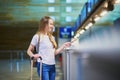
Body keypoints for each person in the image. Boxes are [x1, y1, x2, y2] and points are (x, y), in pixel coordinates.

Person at [27, 16, 71, 80]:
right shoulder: (37, 36)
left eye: (53, 24)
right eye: (50, 24)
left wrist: (63, 46)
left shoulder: (52, 38)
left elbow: (54, 53)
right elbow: (28, 50)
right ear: (45, 24)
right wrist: (33, 56)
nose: (52, 26)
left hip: (52, 65)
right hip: (43, 65)